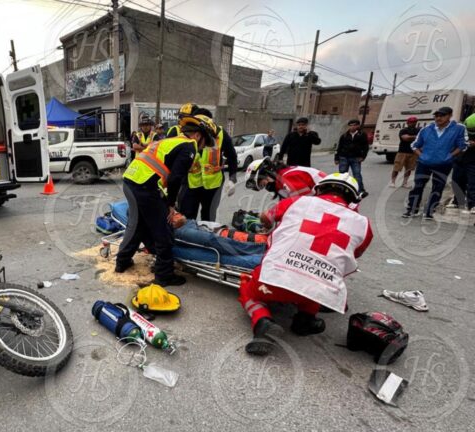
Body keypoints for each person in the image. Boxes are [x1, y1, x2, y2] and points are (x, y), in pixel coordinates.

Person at [238, 173, 373, 356]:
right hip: (319, 290)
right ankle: (305, 320)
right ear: (352, 199)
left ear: (319, 189)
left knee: (248, 287)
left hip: (275, 278)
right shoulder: (364, 225)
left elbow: (266, 217)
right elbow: (352, 256)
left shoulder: (298, 201)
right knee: (318, 281)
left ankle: (263, 321)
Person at [115, 114, 218, 287]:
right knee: (163, 229)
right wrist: (171, 205)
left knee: (138, 225)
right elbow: (175, 179)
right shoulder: (189, 146)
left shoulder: (171, 140)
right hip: (144, 187)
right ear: (198, 135)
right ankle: (164, 275)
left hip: (132, 181)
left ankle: (122, 261)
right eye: (205, 143)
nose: (203, 148)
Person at [403, 106, 468, 219]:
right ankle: (412, 210)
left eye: (442, 115)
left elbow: (463, 145)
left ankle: (429, 211)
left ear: (449, 116)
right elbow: (414, 145)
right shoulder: (426, 129)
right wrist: (421, 156)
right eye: (436, 115)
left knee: (437, 187)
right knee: (418, 186)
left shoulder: (459, 128)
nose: (438, 118)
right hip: (424, 163)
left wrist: (450, 156)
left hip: (443, 164)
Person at [179, 109, 238, 222]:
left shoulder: (221, 134)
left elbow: (232, 156)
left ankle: (206, 237)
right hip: (192, 183)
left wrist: (232, 179)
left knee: (208, 217)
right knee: (187, 215)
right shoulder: (189, 134)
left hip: (213, 184)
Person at [245, 157, 326, 199]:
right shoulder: (283, 175)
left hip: (331, 196)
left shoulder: (286, 177)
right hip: (325, 196)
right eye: (262, 186)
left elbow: (302, 205)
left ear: (268, 173)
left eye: (263, 183)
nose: (267, 187)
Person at [335, 119, 369, 197]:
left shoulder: (362, 135)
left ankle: (360, 190)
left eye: (354, 125)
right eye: (351, 125)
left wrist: (363, 156)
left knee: (357, 174)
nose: (352, 127)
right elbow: (339, 147)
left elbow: (366, 147)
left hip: (356, 158)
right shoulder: (344, 135)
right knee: (342, 174)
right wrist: (336, 158)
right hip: (344, 157)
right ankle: (341, 190)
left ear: (358, 126)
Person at [448, 113, 475, 214]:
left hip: (473, 160)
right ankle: (457, 201)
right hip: (460, 159)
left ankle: (473, 205)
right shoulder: (461, 128)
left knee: (472, 183)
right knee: (457, 181)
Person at [391, 116, 421, 188]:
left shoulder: (418, 130)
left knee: (409, 169)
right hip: (402, 152)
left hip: (413, 152)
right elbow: (405, 138)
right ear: (407, 123)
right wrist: (416, 137)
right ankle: (392, 182)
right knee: (397, 168)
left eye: (414, 122)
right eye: (411, 122)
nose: (413, 123)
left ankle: (404, 183)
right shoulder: (403, 130)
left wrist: (413, 137)